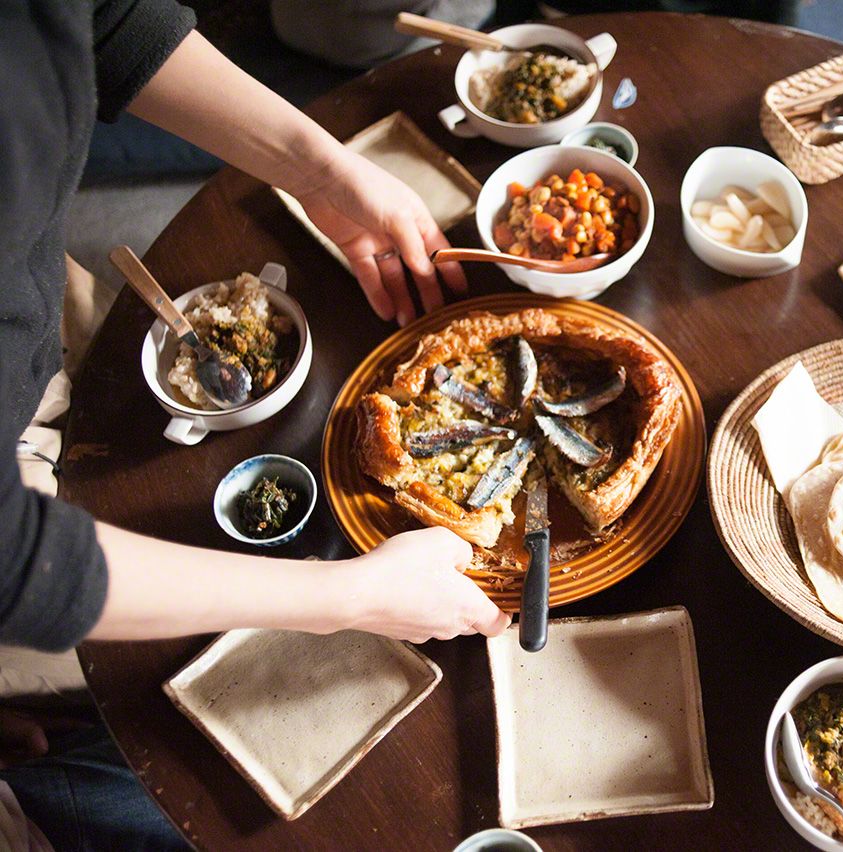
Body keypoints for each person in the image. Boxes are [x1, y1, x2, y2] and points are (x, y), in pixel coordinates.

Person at [2, 1, 510, 845]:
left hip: (28, 308)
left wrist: (322, 172)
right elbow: (17, 562)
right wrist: (345, 598)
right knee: (133, 742)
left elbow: (109, 18)